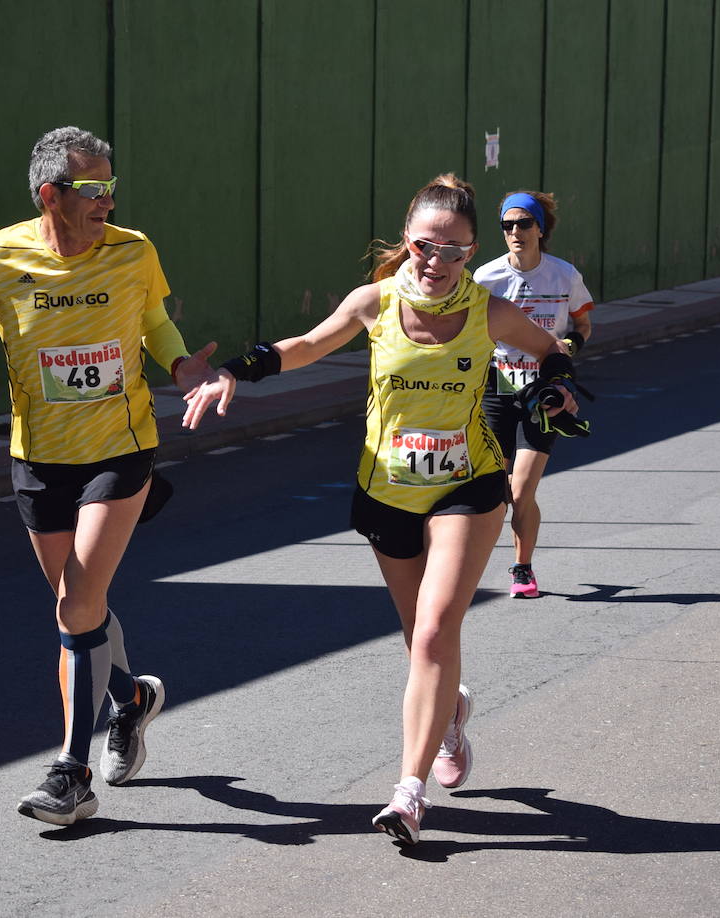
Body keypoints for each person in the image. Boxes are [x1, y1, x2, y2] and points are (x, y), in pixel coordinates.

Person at [181, 174, 581, 845]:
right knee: (417, 635)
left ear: (471, 251)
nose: (437, 261)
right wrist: (235, 373)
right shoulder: (374, 302)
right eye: (426, 245)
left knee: (432, 633)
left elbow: (552, 352)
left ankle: (408, 792)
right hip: (387, 489)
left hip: (469, 484)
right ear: (406, 241)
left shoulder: (487, 312)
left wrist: (556, 389)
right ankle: (451, 713)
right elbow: (304, 346)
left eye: (454, 251)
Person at [0, 126, 218, 826]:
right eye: (94, 188)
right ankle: (131, 698)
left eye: (112, 186)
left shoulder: (133, 251)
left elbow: (156, 326)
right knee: (85, 606)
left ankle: (71, 772)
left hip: (119, 451)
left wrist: (183, 365)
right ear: (51, 194)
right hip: (39, 460)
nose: (108, 199)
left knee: (74, 605)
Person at [473, 191, 594, 599]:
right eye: (507, 226)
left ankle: (522, 568)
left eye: (523, 224)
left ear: (540, 228)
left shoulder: (564, 275)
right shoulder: (485, 278)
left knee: (522, 490)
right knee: (498, 492)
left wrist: (569, 348)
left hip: (543, 392)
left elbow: (583, 324)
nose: (515, 232)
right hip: (494, 389)